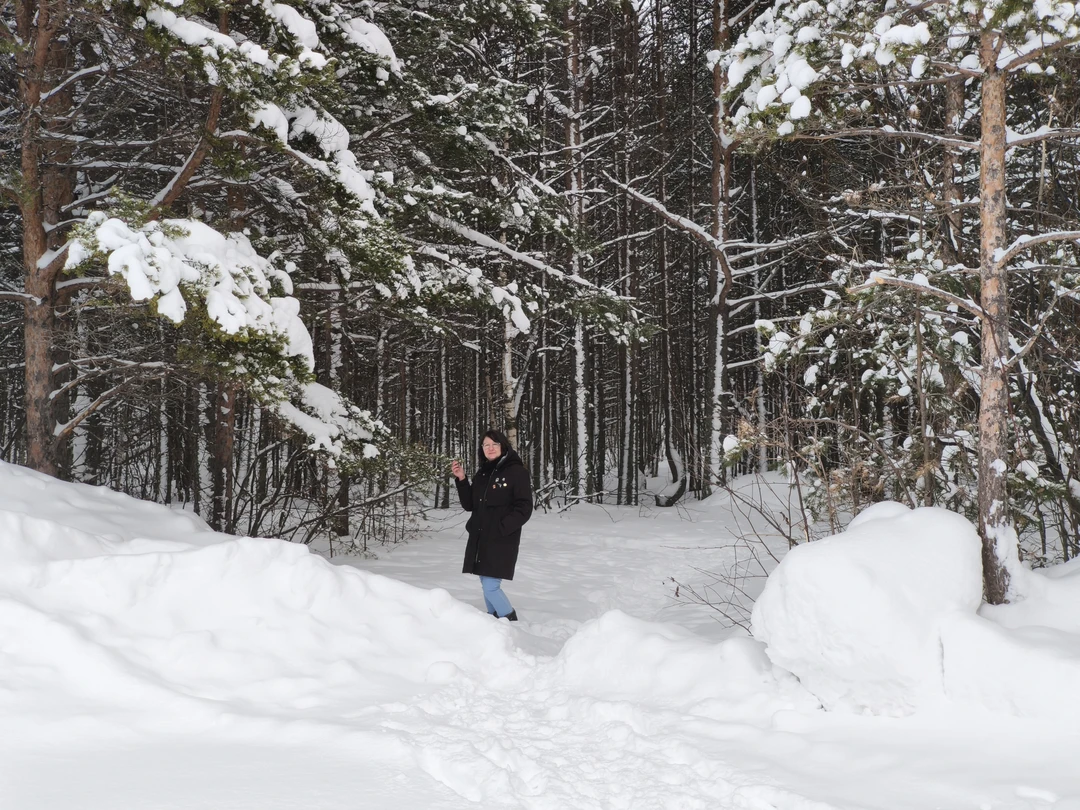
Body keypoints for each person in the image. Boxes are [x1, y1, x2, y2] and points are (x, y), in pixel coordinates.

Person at [450, 429, 532, 621]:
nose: (490, 448)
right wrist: (462, 479)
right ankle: (493, 619)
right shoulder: (483, 473)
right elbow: (470, 505)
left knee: (491, 586)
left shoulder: (516, 472)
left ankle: (510, 620)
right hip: (480, 536)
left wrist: (502, 528)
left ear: (503, 446)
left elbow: (524, 507)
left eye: (494, 444)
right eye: (486, 445)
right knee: (485, 581)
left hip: (501, 538)